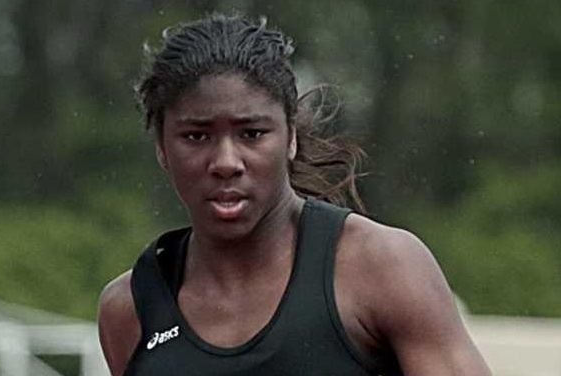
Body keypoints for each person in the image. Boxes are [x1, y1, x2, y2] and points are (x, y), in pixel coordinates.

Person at [97, 13, 491, 376]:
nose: (226, 161)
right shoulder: (130, 309)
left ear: (291, 138)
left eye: (251, 134)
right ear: (162, 149)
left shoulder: (379, 267)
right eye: (196, 136)